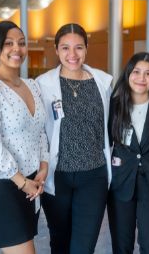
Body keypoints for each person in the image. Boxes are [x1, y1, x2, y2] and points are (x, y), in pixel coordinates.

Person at [36, 23, 113, 254]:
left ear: (86, 49)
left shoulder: (103, 82)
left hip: (94, 175)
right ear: (57, 50)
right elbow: (38, 130)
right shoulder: (42, 84)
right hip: (57, 175)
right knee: (59, 242)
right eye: (65, 48)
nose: (72, 54)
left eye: (78, 47)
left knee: (84, 245)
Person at [0, 21, 49, 254]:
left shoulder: (32, 86)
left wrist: (44, 166)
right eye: (8, 43)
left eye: (21, 43)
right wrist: (21, 182)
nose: (17, 49)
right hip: (0, 184)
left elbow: (40, 132)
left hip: (30, 184)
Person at [107, 52, 149, 254]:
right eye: (136, 72)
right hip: (121, 184)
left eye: (148, 73)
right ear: (128, 74)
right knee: (121, 246)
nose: (141, 79)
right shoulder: (114, 107)